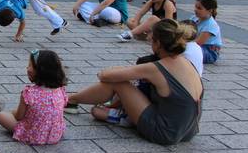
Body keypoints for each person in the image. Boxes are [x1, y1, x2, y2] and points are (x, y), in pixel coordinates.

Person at [67, 19, 203, 145]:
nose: (148, 38)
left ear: (159, 44)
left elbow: (105, 76)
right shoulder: (186, 62)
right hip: (188, 130)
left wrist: (113, 71)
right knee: (120, 82)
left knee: (118, 83)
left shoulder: (156, 68)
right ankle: (78, 102)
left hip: (165, 132)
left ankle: (69, 100)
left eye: (151, 37)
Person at [0, 49, 67, 145]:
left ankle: (24, 132)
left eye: (30, 65)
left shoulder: (29, 93)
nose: (27, 68)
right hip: (55, 134)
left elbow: (18, 116)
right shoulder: (60, 90)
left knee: (2, 116)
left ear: (40, 71)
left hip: (34, 134)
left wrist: (13, 112)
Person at [191, 0, 222, 64]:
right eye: (195, 7)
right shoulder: (194, 18)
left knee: (186, 51)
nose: (195, 10)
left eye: (199, 8)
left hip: (209, 51)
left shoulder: (211, 24)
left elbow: (199, 42)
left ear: (210, 10)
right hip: (196, 46)